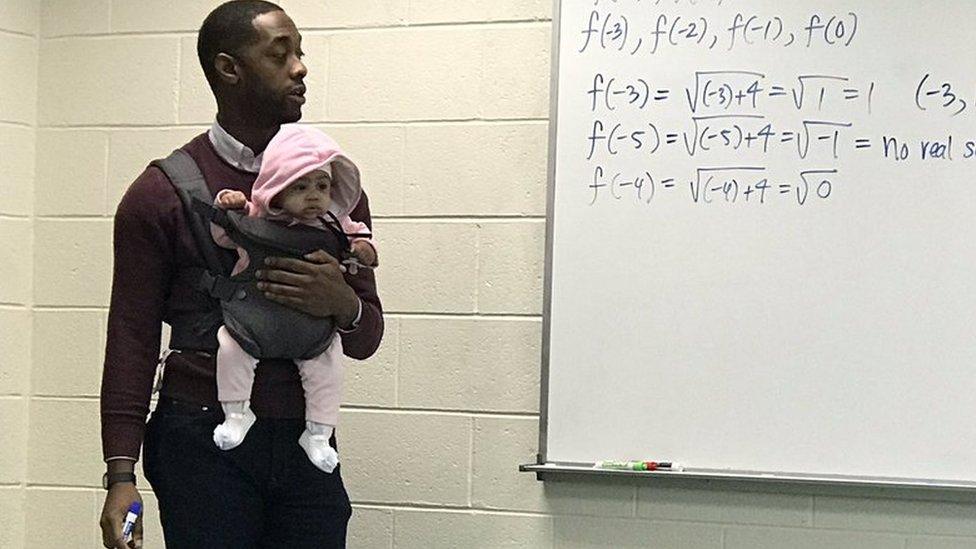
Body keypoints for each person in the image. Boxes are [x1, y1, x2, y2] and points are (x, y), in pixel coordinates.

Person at [97, 1, 383, 547]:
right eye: (281, 54)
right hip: (198, 439)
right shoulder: (160, 193)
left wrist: (341, 301)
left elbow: (367, 337)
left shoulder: (334, 193)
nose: (300, 68)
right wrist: (119, 476)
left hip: (306, 439)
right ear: (229, 68)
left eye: (300, 53)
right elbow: (131, 338)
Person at [209, 124, 378, 476]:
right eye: (300, 187)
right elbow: (224, 234)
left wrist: (364, 251)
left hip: (311, 332)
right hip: (255, 319)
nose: (314, 196)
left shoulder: (336, 223)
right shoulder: (256, 217)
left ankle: (318, 433)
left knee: (328, 364)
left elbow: (361, 239)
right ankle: (236, 413)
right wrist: (229, 203)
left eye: (322, 185)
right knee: (230, 347)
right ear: (277, 188)